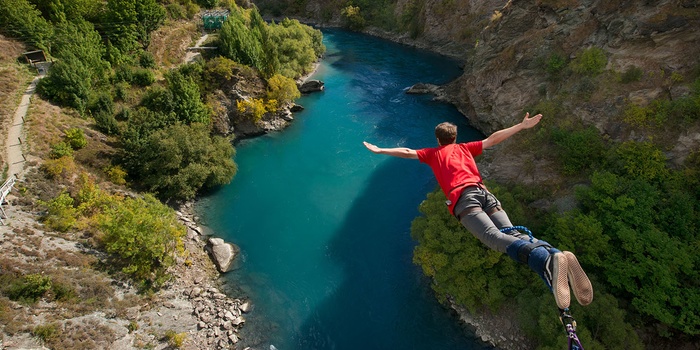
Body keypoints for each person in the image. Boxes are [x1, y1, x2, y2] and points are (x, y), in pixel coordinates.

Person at [363, 113, 592, 310]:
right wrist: (521, 126)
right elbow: (493, 139)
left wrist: (380, 150)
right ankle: (553, 253)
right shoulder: (465, 148)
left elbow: (407, 151)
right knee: (512, 234)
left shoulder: (433, 154)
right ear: (455, 137)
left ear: (438, 140)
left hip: (464, 198)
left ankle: (545, 262)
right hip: (485, 194)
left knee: (493, 238)